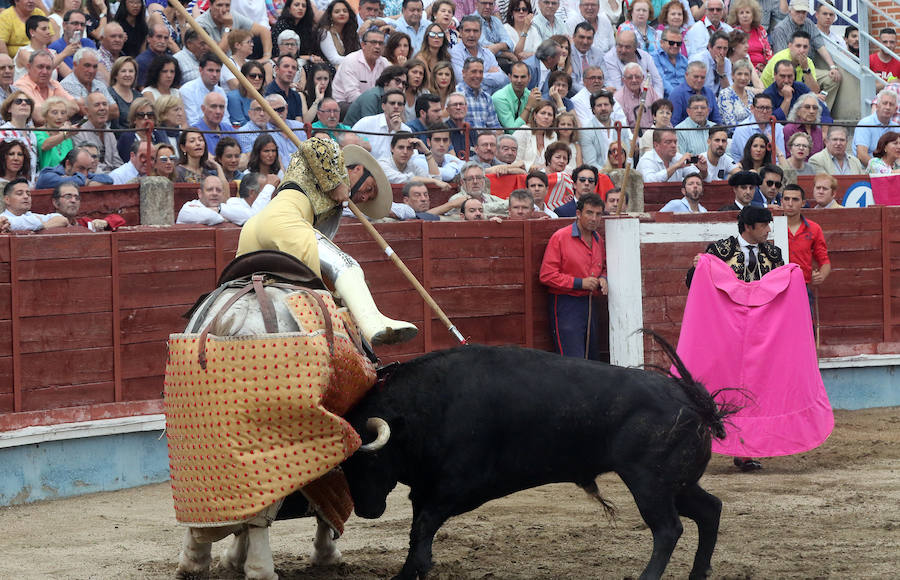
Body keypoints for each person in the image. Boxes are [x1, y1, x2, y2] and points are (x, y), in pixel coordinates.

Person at [237, 137, 416, 345]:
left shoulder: (332, 208)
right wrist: (335, 184)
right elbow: (314, 144)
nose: (365, 198)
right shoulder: (334, 158)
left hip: (253, 230)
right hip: (284, 223)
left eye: (369, 197)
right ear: (358, 169)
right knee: (345, 265)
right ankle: (373, 325)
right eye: (369, 189)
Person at [539, 192, 607, 360]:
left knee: (591, 358)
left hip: (590, 303)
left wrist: (603, 279)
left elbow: (603, 266)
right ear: (578, 214)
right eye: (589, 213)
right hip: (566, 303)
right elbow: (546, 275)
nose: (594, 218)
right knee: (572, 359)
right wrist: (579, 283)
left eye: (598, 214)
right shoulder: (560, 237)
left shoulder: (598, 239)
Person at [781, 183, 831, 303]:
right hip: (776, 287)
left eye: (795, 199)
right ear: (781, 201)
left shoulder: (814, 228)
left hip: (802, 286)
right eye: (786, 199)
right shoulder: (771, 227)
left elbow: (824, 260)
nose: (790, 203)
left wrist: (821, 275)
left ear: (803, 203)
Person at [196, 0, 272, 66]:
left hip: (234, 64)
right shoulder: (201, 23)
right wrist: (228, 27)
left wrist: (266, 56)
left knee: (267, 66)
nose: (224, 10)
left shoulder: (233, 15)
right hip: (213, 66)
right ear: (210, 5)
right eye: (219, 5)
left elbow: (264, 31)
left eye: (227, 5)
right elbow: (219, 54)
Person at [332, 27, 391, 106]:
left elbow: (389, 88)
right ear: (363, 45)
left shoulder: (384, 63)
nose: (377, 46)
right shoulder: (351, 61)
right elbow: (352, 95)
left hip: (373, 105)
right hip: (345, 105)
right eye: (373, 42)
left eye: (381, 43)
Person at [351, 89, 412, 161]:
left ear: (403, 108)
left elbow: (407, 158)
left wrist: (398, 132)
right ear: (383, 106)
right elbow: (350, 141)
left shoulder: (407, 130)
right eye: (392, 103)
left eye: (400, 104)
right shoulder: (366, 122)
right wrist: (363, 139)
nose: (396, 106)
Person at [602, 29, 663, 98]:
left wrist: (657, 101)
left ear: (635, 47)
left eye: (627, 47)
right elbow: (617, 87)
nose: (623, 50)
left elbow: (657, 81)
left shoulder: (645, 56)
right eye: (620, 46)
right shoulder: (609, 58)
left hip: (650, 99)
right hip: (625, 101)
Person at [71, 92, 122, 173]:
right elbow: (87, 164)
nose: (102, 108)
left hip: (112, 176)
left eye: (105, 104)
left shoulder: (109, 132)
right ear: (87, 111)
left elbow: (117, 161)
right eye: (97, 105)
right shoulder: (78, 131)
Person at [343, 65, 408, 127]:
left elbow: (402, 124)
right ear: (386, 81)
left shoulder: (397, 99)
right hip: (353, 135)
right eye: (397, 81)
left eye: (404, 83)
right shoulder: (371, 96)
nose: (401, 86)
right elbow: (370, 125)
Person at [380, 131, 449, 188]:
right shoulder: (382, 164)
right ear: (392, 148)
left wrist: (427, 152)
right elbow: (405, 179)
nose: (405, 152)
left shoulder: (413, 167)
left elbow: (437, 180)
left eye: (409, 148)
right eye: (401, 147)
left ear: (413, 151)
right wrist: (434, 181)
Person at [729, 93, 786, 160]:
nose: (765, 111)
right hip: (747, 168)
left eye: (768, 108)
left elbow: (781, 156)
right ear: (752, 109)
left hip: (773, 168)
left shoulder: (778, 128)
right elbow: (749, 158)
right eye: (761, 108)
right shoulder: (742, 128)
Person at [50, 181, 125, 231]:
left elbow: (119, 220)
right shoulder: (46, 223)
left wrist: (106, 222)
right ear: (55, 202)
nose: (73, 200)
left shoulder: (85, 223)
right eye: (68, 196)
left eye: (77, 197)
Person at [637, 128, 703, 183]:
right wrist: (676, 166)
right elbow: (649, 181)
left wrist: (703, 171)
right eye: (668, 142)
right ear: (656, 145)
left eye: (675, 142)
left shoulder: (678, 157)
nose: (674, 146)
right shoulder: (647, 159)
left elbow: (696, 177)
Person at [1, 177, 68, 231]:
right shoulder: (3, 219)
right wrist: (42, 224)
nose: (26, 197)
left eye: (28, 194)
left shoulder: (32, 216)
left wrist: (42, 226)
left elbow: (63, 220)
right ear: (7, 200)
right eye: (19, 193)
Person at [853, 90, 900, 167]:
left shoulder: (897, 128)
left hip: (892, 170)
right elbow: (861, 154)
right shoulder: (865, 124)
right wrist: (881, 170)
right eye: (885, 103)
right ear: (877, 106)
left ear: (895, 109)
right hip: (866, 171)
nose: (888, 107)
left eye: (891, 104)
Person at [182, 53, 230, 127]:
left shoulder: (221, 91)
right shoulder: (187, 90)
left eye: (218, 71)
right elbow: (193, 123)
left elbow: (225, 120)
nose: (214, 74)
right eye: (210, 70)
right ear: (200, 70)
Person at [455, 53, 502, 130]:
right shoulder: (455, 95)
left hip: (485, 140)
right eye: (474, 72)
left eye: (481, 72)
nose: (478, 76)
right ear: (464, 73)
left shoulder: (486, 98)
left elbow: (495, 127)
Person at [491, 61, 540, 131]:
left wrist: (538, 104)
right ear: (509, 77)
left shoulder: (531, 95)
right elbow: (512, 130)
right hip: (505, 139)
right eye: (516, 77)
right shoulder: (499, 98)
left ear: (529, 78)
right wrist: (529, 106)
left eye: (523, 77)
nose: (519, 80)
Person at [669, 61, 721, 126]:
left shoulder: (709, 92)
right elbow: (674, 123)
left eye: (702, 77)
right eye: (696, 77)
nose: (699, 80)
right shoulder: (677, 94)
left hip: (709, 133)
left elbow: (716, 120)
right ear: (686, 75)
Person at [727, 0, 771, 72]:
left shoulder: (760, 30)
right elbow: (733, 57)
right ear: (737, 16)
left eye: (748, 12)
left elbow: (768, 53)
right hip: (743, 69)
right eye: (741, 13)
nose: (745, 16)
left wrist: (768, 68)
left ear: (753, 15)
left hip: (763, 69)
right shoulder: (734, 32)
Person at [614, 63, 658, 130]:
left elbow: (660, 111)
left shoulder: (649, 89)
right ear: (623, 80)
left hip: (654, 136)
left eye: (637, 77)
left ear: (643, 78)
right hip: (633, 139)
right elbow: (624, 130)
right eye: (630, 77)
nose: (634, 80)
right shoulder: (618, 98)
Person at [318, 0, 361, 68]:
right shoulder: (325, 32)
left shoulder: (352, 33)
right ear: (330, 16)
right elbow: (333, 59)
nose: (342, 13)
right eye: (337, 11)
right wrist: (357, 61)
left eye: (345, 11)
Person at [718, 58, 756, 130]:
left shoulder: (751, 95)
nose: (743, 78)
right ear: (732, 75)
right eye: (739, 74)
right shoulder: (725, 94)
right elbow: (730, 125)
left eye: (746, 74)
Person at [107, 55, 143, 129]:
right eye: (123, 71)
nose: (127, 75)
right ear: (115, 75)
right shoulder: (109, 94)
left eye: (131, 71)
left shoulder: (139, 96)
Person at [225, 61, 265, 128]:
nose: (257, 79)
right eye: (253, 76)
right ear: (243, 77)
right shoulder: (233, 97)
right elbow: (240, 124)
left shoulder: (265, 98)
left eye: (260, 76)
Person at [654, 25, 688, 98]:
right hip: (664, 101)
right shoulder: (655, 58)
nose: (675, 46)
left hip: (684, 99)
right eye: (671, 43)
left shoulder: (684, 60)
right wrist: (677, 96)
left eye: (678, 43)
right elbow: (661, 81)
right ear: (662, 42)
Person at [135, 23, 172, 87]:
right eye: (159, 37)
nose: (162, 41)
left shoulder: (170, 59)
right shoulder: (141, 61)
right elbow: (142, 88)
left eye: (166, 38)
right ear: (149, 39)